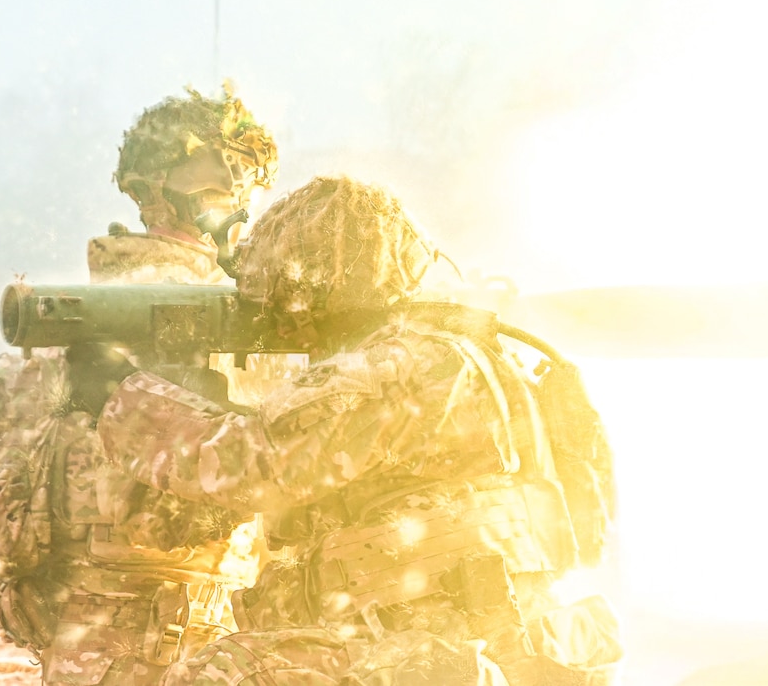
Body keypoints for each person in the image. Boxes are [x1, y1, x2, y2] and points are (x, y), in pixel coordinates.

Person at [91, 176, 624, 685]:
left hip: (444, 652)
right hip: (487, 643)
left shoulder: (399, 364)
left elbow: (258, 468)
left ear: (325, 286)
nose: (280, 322)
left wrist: (120, 396)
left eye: (285, 301)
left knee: (229, 670)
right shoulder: (468, 353)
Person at [0, 85, 280, 685]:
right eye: (223, 178)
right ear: (157, 188)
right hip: (171, 626)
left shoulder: (76, 313)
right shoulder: (211, 311)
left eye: (244, 180)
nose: (239, 197)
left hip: (99, 628)